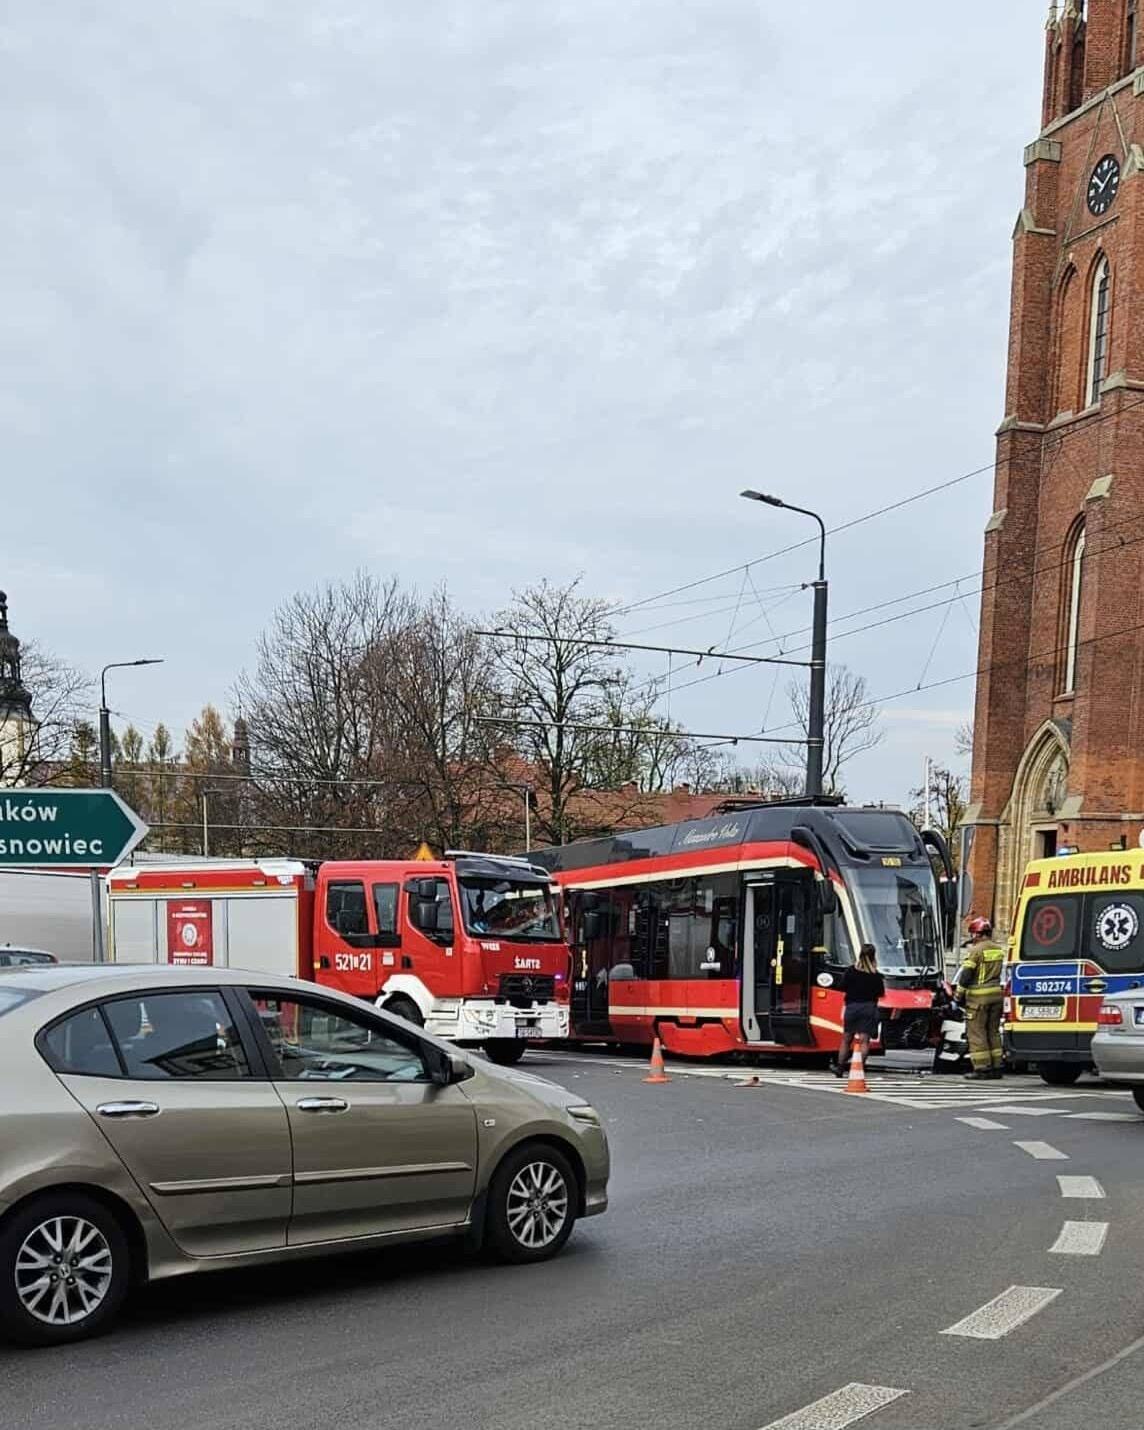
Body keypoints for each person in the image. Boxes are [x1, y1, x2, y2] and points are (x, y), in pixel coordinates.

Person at [955, 915, 1005, 1080]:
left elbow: (966, 975)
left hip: (978, 999)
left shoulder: (975, 951)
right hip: (997, 996)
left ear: (976, 933)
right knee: (993, 1032)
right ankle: (997, 1066)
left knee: (977, 1033)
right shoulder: (998, 949)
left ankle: (982, 1068)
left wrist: (958, 995)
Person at [833, 944, 885, 1077]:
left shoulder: (851, 971)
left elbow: (841, 986)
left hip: (852, 1007)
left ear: (860, 954)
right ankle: (858, 1069)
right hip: (868, 1008)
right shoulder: (876, 975)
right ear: (874, 956)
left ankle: (839, 1069)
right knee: (864, 1041)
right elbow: (881, 993)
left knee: (846, 1039)